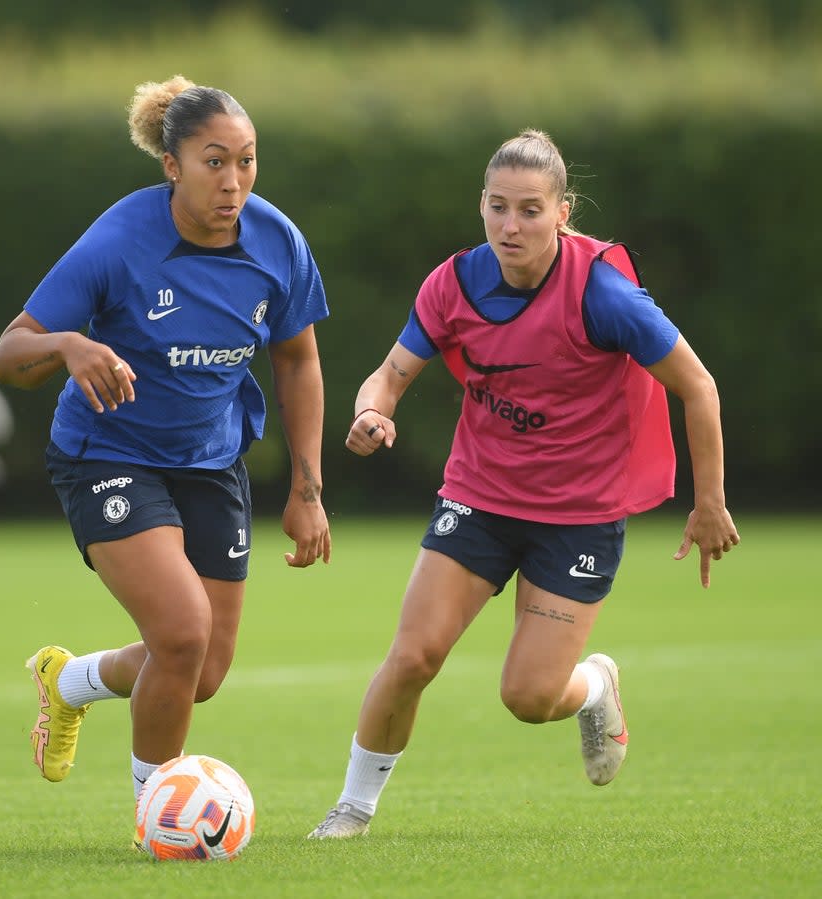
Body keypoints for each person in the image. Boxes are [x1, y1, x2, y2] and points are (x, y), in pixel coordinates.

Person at [307, 129, 741, 839]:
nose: (513, 225)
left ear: (562, 212)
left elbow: (698, 385)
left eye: (531, 210)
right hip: (478, 497)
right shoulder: (452, 283)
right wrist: (369, 413)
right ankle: (352, 808)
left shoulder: (603, 292)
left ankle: (596, 683)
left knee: (530, 697)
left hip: (578, 516)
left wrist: (710, 501)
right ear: (481, 205)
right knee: (414, 655)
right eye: (500, 207)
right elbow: (389, 375)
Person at [0, 75, 331, 838]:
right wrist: (67, 344)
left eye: (247, 161)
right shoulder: (119, 242)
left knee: (200, 671)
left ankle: (68, 679)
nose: (234, 181)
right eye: (215, 162)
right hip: (106, 450)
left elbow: (299, 361)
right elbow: (9, 354)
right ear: (172, 165)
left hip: (210, 459)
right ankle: (158, 817)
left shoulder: (277, 242)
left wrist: (307, 488)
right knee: (181, 632)